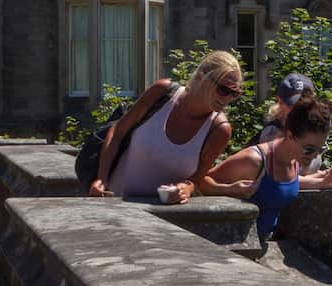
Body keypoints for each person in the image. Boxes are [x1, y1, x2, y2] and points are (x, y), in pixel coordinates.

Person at [89, 50, 242, 203]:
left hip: (163, 220)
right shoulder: (162, 92)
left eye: (234, 93)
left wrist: (186, 188)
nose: (227, 98)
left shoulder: (219, 130)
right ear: (202, 76)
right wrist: (101, 178)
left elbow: (198, 178)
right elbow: (117, 132)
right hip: (115, 205)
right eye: (223, 90)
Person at [201, 91, 332, 240]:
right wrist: (229, 189)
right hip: (234, 248)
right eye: (309, 149)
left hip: (264, 243)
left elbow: (277, 185)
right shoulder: (254, 161)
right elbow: (200, 183)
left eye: (321, 149)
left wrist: (323, 181)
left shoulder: (294, 160)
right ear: (289, 135)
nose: (315, 156)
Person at [247, 72, 332, 188]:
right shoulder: (272, 133)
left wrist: (331, 173)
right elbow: (275, 180)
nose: (299, 109)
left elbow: (304, 173)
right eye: (294, 104)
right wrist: (320, 182)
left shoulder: (312, 130)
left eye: (304, 104)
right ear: (280, 101)